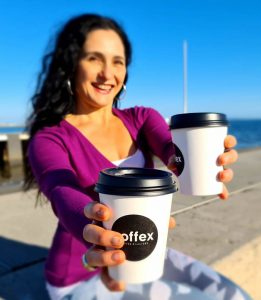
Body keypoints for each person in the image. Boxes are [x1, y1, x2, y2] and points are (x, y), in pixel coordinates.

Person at [25, 13, 243, 300]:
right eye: (94, 58)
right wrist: (94, 222)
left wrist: (203, 161)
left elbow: (171, 151)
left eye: (117, 61)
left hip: (145, 254)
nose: (107, 73)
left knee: (233, 296)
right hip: (79, 274)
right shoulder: (50, 138)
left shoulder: (140, 118)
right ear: (71, 65)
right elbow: (59, 189)